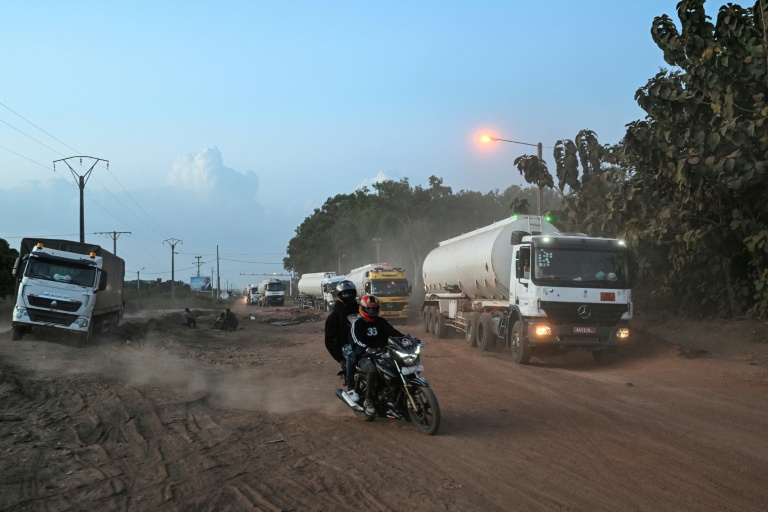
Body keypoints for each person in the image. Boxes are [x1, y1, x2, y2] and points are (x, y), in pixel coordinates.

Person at [349, 294, 404, 415]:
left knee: (398, 368)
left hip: (382, 353)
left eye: (374, 309)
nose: (372, 311)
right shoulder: (357, 324)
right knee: (372, 370)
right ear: (363, 309)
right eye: (369, 309)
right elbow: (356, 341)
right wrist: (367, 349)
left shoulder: (381, 322)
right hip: (363, 356)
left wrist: (407, 340)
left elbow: (394, 333)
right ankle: (369, 401)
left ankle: (397, 398)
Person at [324, 280, 359, 406]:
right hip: (346, 345)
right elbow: (329, 340)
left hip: (363, 343)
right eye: (345, 294)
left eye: (350, 293)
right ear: (339, 295)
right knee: (351, 355)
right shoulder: (335, 316)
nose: (348, 296)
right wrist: (339, 358)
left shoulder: (362, 311)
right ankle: (351, 389)